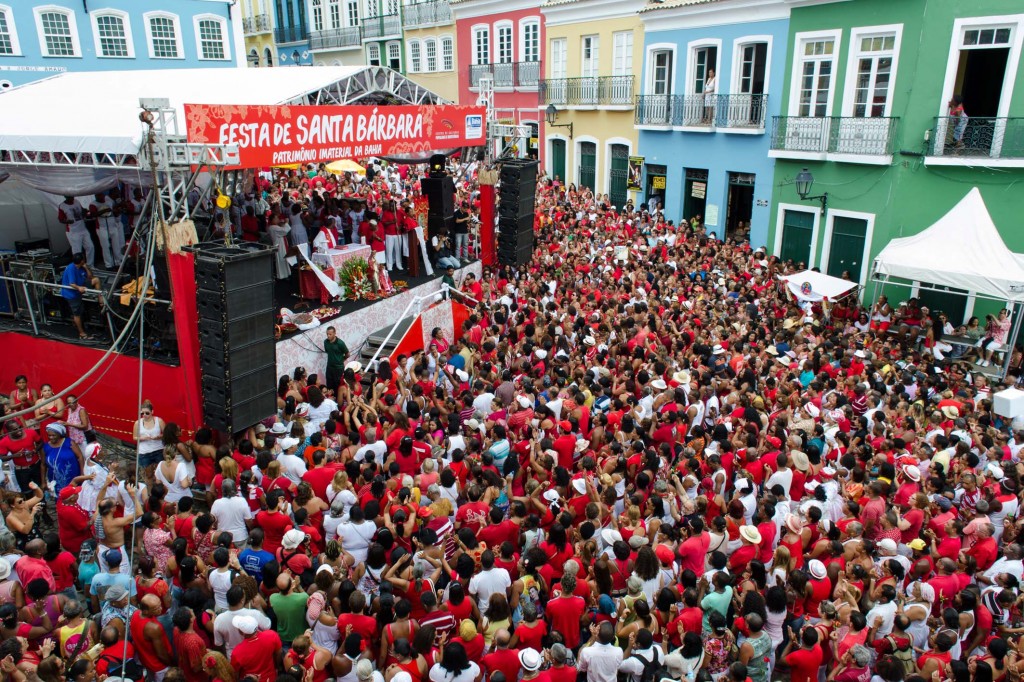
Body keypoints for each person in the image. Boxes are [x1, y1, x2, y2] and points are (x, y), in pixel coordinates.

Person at [60, 253, 100, 340]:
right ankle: (81, 333)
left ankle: (100, 299)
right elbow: (71, 283)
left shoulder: (81, 267)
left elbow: (90, 277)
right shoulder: (71, 268)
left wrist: (86, 267)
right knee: (77, 313)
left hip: (81, 285)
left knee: (96, 280)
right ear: (81, 261)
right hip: (72, 294)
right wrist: (79, 288)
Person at [58, 196, 92, 266]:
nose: (72, 198)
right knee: (77, 251)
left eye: (72, 197)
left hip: (83, 229)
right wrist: (67, 221)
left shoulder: (76, 201)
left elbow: (82, 210)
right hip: (73, 231)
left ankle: (90, 265)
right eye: (70, 197)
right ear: (66, 197)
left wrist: (85, 211)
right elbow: (61, 219)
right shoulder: (62, 206)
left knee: (90, 247)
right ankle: (79, 267)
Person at [323, 326, 349, 396]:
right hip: (329, 367)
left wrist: (341, 360)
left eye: (330, 334)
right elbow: (327, 351)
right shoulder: (326, 342)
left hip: (338, 368)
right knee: (329, 384)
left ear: (334, 333)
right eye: (327, 334)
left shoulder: (340, 343)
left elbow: (347, 354)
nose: (328, 336)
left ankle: (338, 400)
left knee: (338, 385)